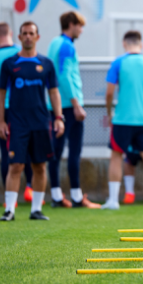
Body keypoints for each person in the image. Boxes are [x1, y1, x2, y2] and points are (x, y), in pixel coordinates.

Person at [0, 21, 65, 221]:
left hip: (41, 122)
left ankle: (36, 209)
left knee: (40, 166)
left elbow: (54, 93)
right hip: (17, 123)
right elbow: (0, 95)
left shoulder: (46, 64)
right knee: (15, 166)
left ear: (37, 37)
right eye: (24, 33)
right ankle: (10, 209)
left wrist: (59, 118)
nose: (28, 36)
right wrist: (1, 121)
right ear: (19, 37)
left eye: (31, 33)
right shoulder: (9, 64)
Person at [101, 30, 143, 210]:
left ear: (124, 44)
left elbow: (109, 93)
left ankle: (113, 201)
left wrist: (109, 113)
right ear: (141, 45)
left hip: (122, 119)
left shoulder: (118, 63)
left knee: (116, 157)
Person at [46, 11, 99, 209]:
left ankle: (57, 196)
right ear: (71, 24)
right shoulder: (67, 46)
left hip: (55, 105)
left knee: (55, 152)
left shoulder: (54, 43)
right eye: (80, 25)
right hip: (68, 106)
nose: (81, 30)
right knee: (74, 151)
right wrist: (76, 104)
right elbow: (64, 76)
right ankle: (76, 197)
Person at [0, 22, 35, 204]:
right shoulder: (22, 52)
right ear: (13, 34)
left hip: (4, 109)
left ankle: (10, 198)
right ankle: (30, 188)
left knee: (7, 153)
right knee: (29, 150)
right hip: (26, 107)